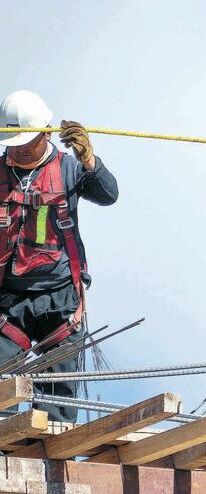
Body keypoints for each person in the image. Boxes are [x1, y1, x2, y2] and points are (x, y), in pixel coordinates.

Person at [0, 90, 118, 421]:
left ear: (47, 133)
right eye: (13, 144)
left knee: (57, 403)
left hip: (60, 298)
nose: (19, 149)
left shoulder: (68, 169)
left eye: (26, 142)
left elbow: (109, 194)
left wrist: (90, 161)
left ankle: (50, 445)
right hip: (9, 300)